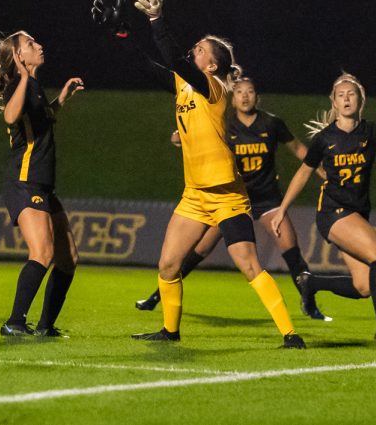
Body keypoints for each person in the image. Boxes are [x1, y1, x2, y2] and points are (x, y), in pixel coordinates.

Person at [93, 0, 304, 348]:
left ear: (212, 65)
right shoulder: (185, 86)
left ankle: (290, 333)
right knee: (168, 266)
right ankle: (170, 331)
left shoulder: (216, 88)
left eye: (202, 49)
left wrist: (158, 21)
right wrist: (122, 33)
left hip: (226, 194)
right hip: (195, 195)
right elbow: (149, 65)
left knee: (247, 264)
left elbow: (174, 58)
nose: (196, 49)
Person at [135, 77, 330, 321]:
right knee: (200, 249)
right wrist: (179, 136)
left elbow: (300, 149)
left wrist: (322, 172)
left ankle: (310, 306)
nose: (245, 96)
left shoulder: (271, 123)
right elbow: (193, 135)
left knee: (290, 248)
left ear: (257, 96)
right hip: (230, 199)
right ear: (233, 97)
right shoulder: (223, 123)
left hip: (266, 200)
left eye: (250, 91)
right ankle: (157, 297)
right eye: (239, 92)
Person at [272, 73, 376, 342]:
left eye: (351, 94)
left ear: (361, 100)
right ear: (334, 102)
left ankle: (311, 282)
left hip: (356, 213)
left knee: (365, 286)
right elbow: (303, 173)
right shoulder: (324, 139)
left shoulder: (371, 131)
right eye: (341, 95)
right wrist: (282, 209)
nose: (346, 98)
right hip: (333, 212)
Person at [0, 31, 83, 338]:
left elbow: (39, 121)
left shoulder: (32, 87)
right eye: (31, 45)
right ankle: (14, 322)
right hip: (25, 182)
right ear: (19, 57)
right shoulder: (17, 87)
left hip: (42, 185)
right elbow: (10, 116)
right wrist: (20, 77)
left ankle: (46, 326)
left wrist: (60, 100)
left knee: (68, 258)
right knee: (42, 252)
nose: (40, 45)